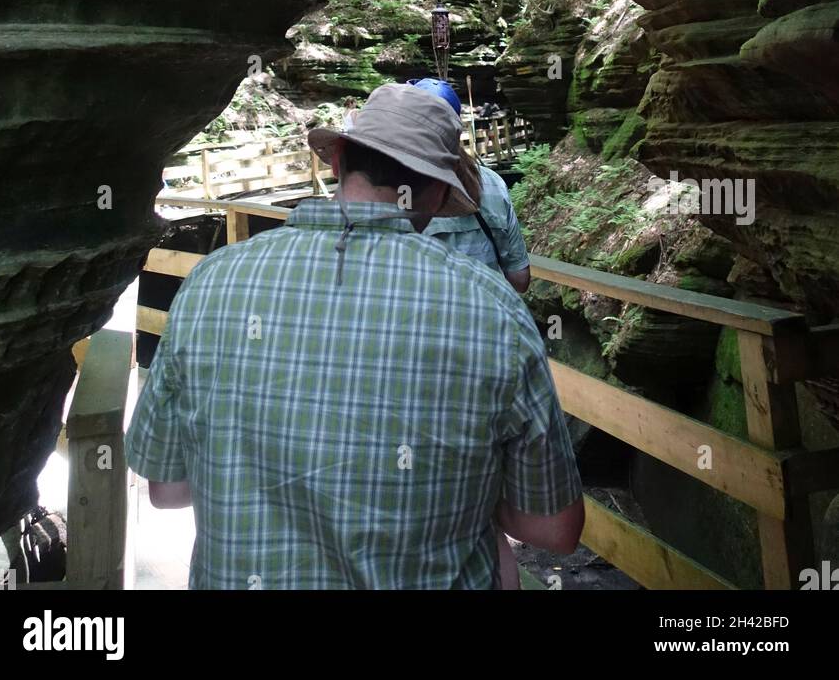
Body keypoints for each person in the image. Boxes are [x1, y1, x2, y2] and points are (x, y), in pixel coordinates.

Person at [125, 83, 583, 590]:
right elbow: (555, 529)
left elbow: (167, 490)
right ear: (436, 190)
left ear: (338, 158)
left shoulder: (213, 280)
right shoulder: (492, 307)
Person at [408, 78, 531, 293]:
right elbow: (520, 278)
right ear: (458, 128)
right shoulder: (492, 183)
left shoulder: (396, 188)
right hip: (488, 317)